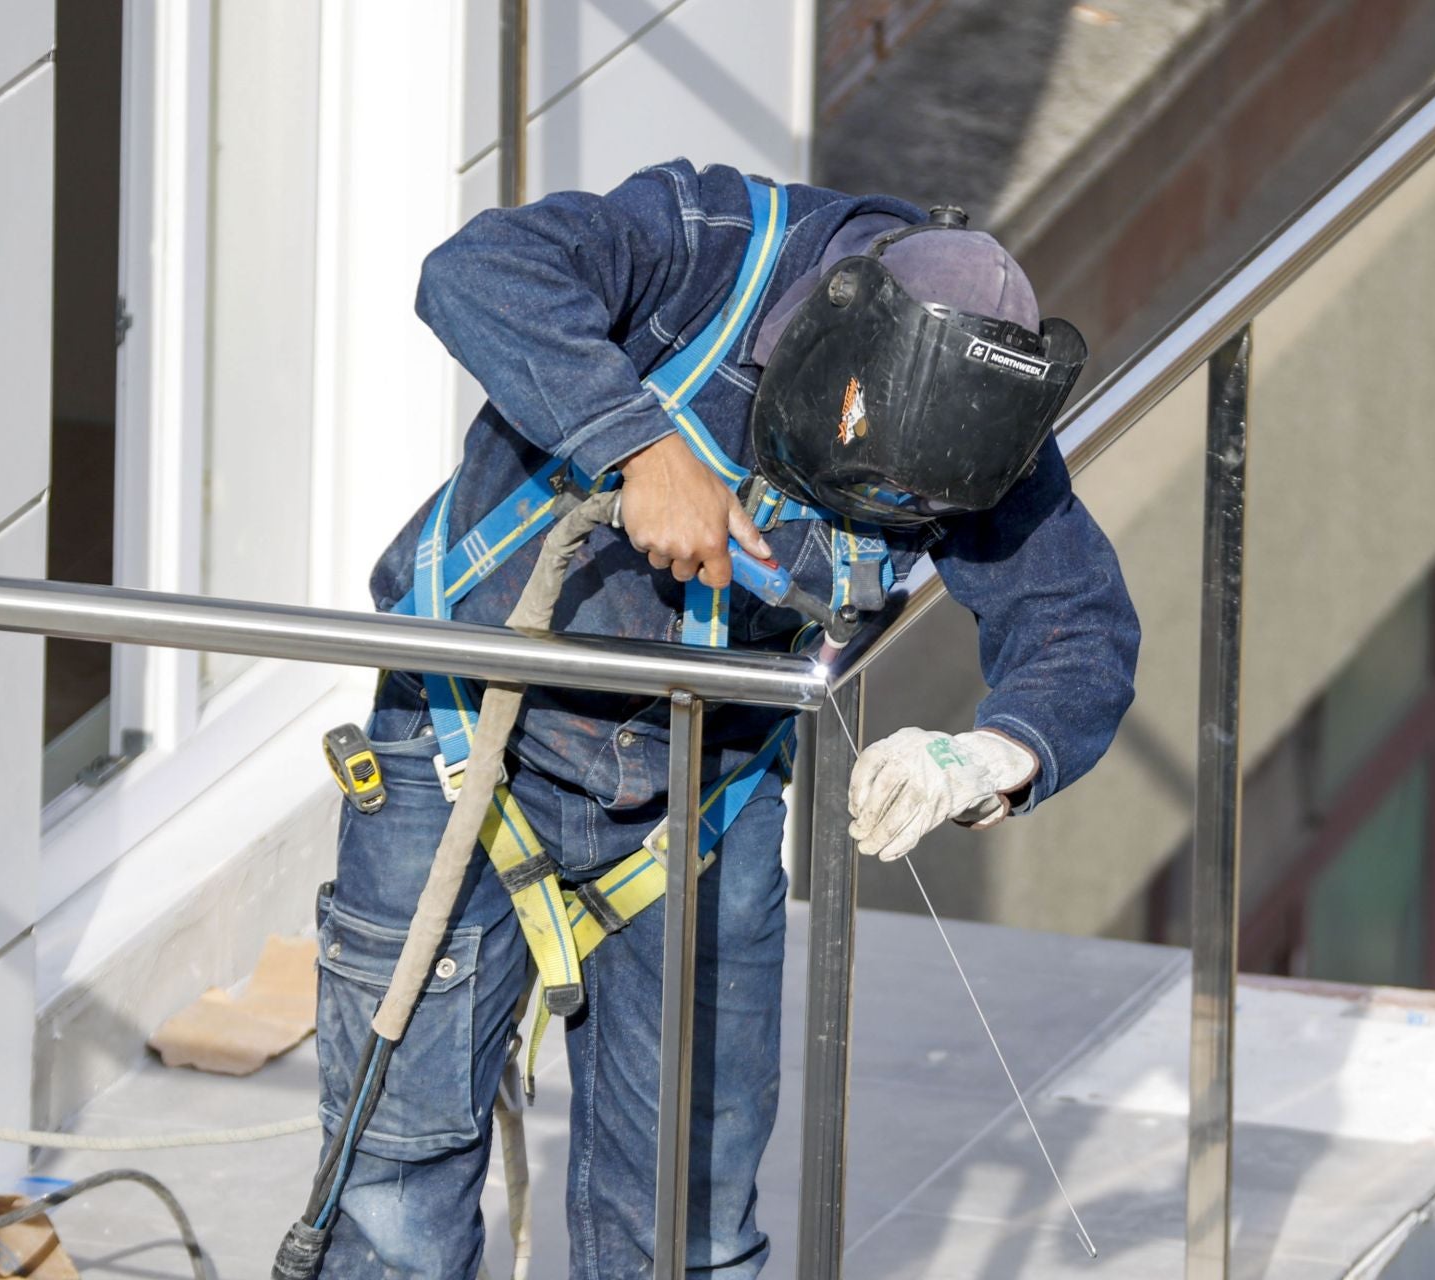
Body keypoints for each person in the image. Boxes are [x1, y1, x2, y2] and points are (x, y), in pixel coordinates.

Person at [313, 158, 1139, 1278]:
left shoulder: (977, 417)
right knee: (395, 1202)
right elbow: (474, 270)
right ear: (824, 345)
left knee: (686, 1224)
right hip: (473, 739)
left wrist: (988, 755)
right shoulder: (704, 246)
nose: (888, 515)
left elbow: (1077, 621)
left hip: (707, 795)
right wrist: (637, 443)